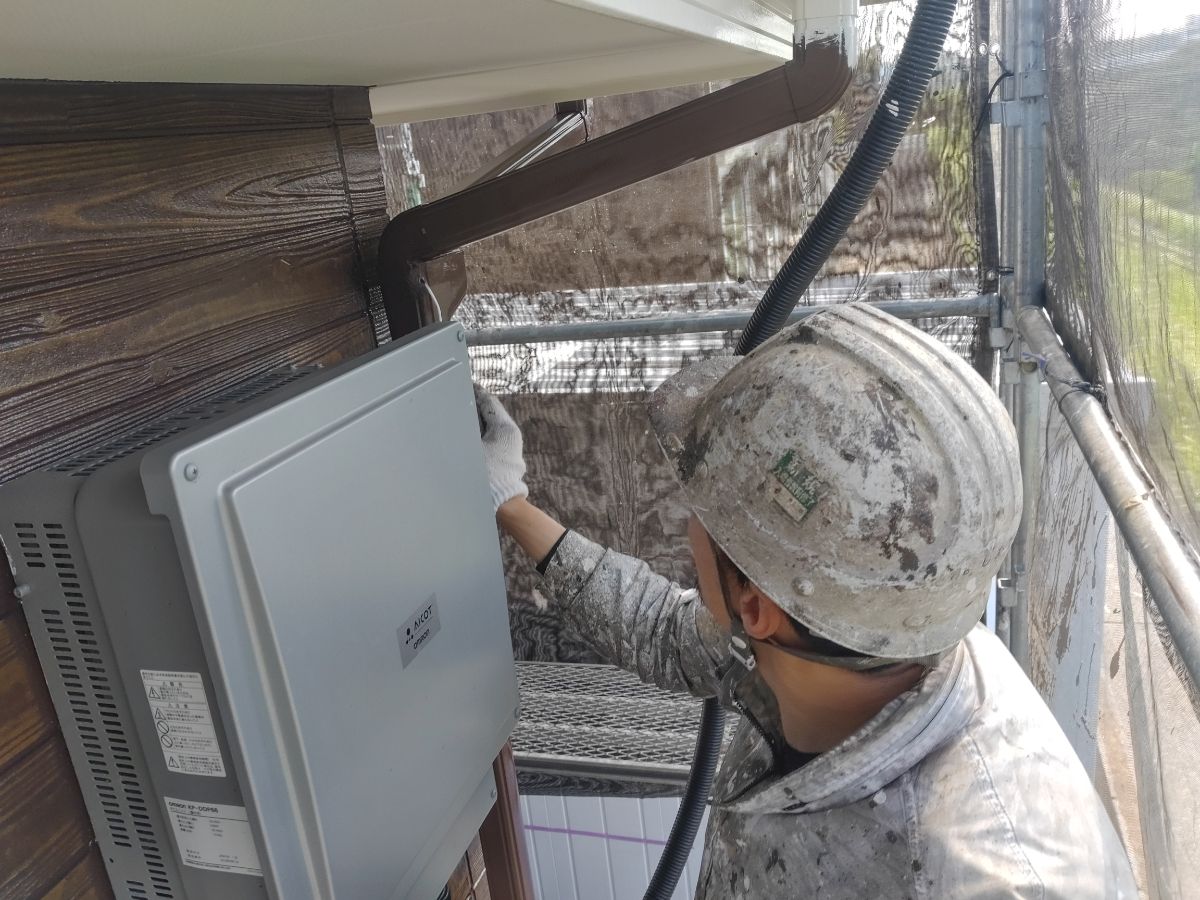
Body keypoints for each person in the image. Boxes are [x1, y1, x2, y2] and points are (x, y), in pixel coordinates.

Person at [475, 303, 1136, 898]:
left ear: (755, 605)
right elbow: (666, 632)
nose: (686, 524)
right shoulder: (869, 634)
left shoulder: (977, 877)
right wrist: (510, 502)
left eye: (700, 510)